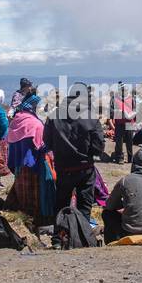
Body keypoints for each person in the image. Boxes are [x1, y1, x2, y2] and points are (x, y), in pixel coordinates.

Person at [42, 83, 105, 221]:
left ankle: (59, 237)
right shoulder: (90, 116)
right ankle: (82, 236)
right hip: (85, 167)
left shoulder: (54, 115)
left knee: (61, 203)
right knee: (84, 205)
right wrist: (92, 156)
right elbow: (99, 144)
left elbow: (46, 141)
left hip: (63, 166)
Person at [5, 92, 56, 223]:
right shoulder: (35, 124)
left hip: (18, 165)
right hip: (34, 166)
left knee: (22, 191)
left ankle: (23, 215)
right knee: (36, 193)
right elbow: (41, 146)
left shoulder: (17, 120)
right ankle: (36, 218)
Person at [101, 147, 142, 243]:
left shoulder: (125, 181)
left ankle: (112, 243)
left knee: (107, 214)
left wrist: (124, 204)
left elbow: (109, 206)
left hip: (132, 231)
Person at [109, 83, 138, 163]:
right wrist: (119, 112)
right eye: (122, 90)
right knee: (119, 141)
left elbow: (135, 110)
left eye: (125, 89)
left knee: (129, 141)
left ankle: (130, 158)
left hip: (130, 122)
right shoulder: (114, 98)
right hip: (119, 123)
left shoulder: (132, 98)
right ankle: (119, 158)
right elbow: (110, 110)